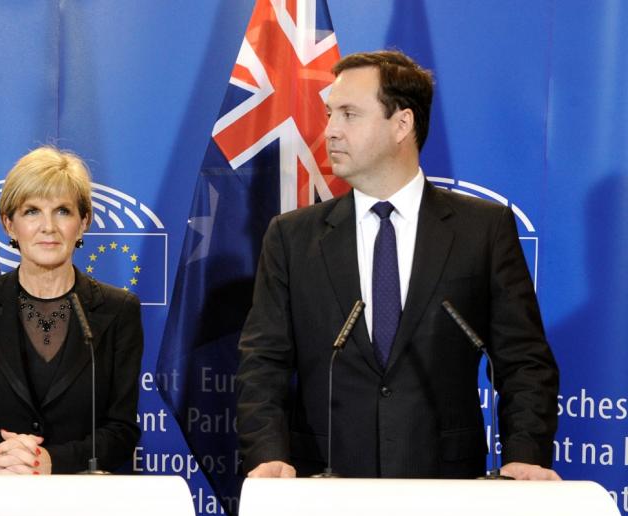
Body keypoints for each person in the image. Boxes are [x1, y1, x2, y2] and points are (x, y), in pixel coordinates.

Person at [235, 50, 559, 480]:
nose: (329, 131)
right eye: (330, 114)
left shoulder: (483, 230)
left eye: (349, 115)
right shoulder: (292, 237)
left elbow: (523, 362)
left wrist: (525, 456)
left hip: (446, 486)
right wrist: (266, 455)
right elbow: (263, 363)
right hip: (324, 487)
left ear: (402, 124)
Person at [0, 146, 142, 474]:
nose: (48, 226)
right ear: (9, 224)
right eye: (32, 211)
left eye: (62, 211)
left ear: (83, 222)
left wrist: (50, 461)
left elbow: (121, 430)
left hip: (82, 506)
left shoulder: (119, 311)